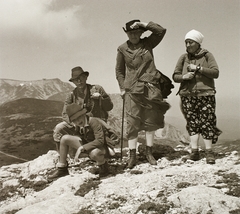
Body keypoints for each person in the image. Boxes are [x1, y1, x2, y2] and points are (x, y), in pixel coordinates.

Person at [115, 19, 170, 169]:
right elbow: (119, 71)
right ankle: (132, 155)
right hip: (132, 89)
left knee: (150, 121)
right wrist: (122, 87)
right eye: (130, 33)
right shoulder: (121, 49)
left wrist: (144, 24)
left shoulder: (148, 43)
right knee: (132, 122)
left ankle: (149, 153)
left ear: (141, 33)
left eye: (136, 32)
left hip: (151, 87)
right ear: (126, 33)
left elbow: (161, 30)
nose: (133, 35)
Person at [172, 29, 222, 164]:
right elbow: (175, 76)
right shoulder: (183, 58)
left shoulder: (207, 56)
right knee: (192, 122)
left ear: (198, 43)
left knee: (207, 122)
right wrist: (184, 77)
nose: (188, 45)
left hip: (206, 94)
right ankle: (194, 152)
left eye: (191, 42)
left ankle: (209, 152)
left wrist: (198, 69)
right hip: (187, 95)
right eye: (186, 42)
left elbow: (215, 73)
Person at [53, 66, 113, 153]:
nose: (79, 81)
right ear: (73, 82)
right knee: (59, 128)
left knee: (106, 152)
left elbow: (109, 107)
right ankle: (61, 157)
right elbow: (65, 114)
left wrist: (102, 98)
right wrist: (75, 123)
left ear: (85, 77)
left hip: (95, 126)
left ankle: (99, 148)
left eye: (81, 78)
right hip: (78, 125)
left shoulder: (97, 89)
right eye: (76, 80)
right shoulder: (72, 95)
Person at [49, 103, 112, 179]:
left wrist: (82, 148)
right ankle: (62, 168)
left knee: (94, 153)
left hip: (103, 147)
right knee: (64, 139)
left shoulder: (93, 121)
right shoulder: (79, 126)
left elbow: (100, 141)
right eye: (74, 120)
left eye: (79, 117)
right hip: (89, 145)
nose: (78, 121)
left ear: (83, 114)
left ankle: (103, 166)